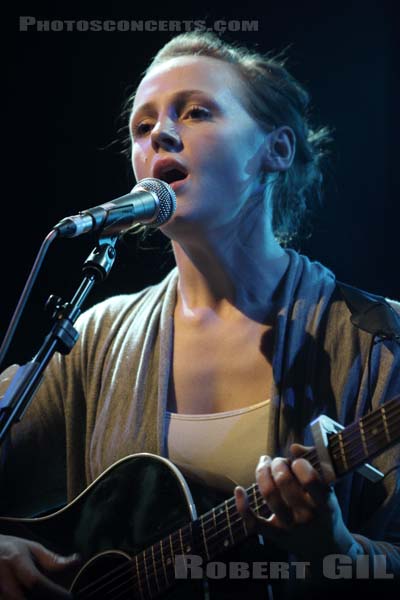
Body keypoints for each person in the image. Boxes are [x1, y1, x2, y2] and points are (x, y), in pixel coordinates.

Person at [0, 31, 399, 599]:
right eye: (142, 126)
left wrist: (338, 551)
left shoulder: (379, 340)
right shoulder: (94, 339)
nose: (160, 133)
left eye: (195, 111)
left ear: (276, 150)